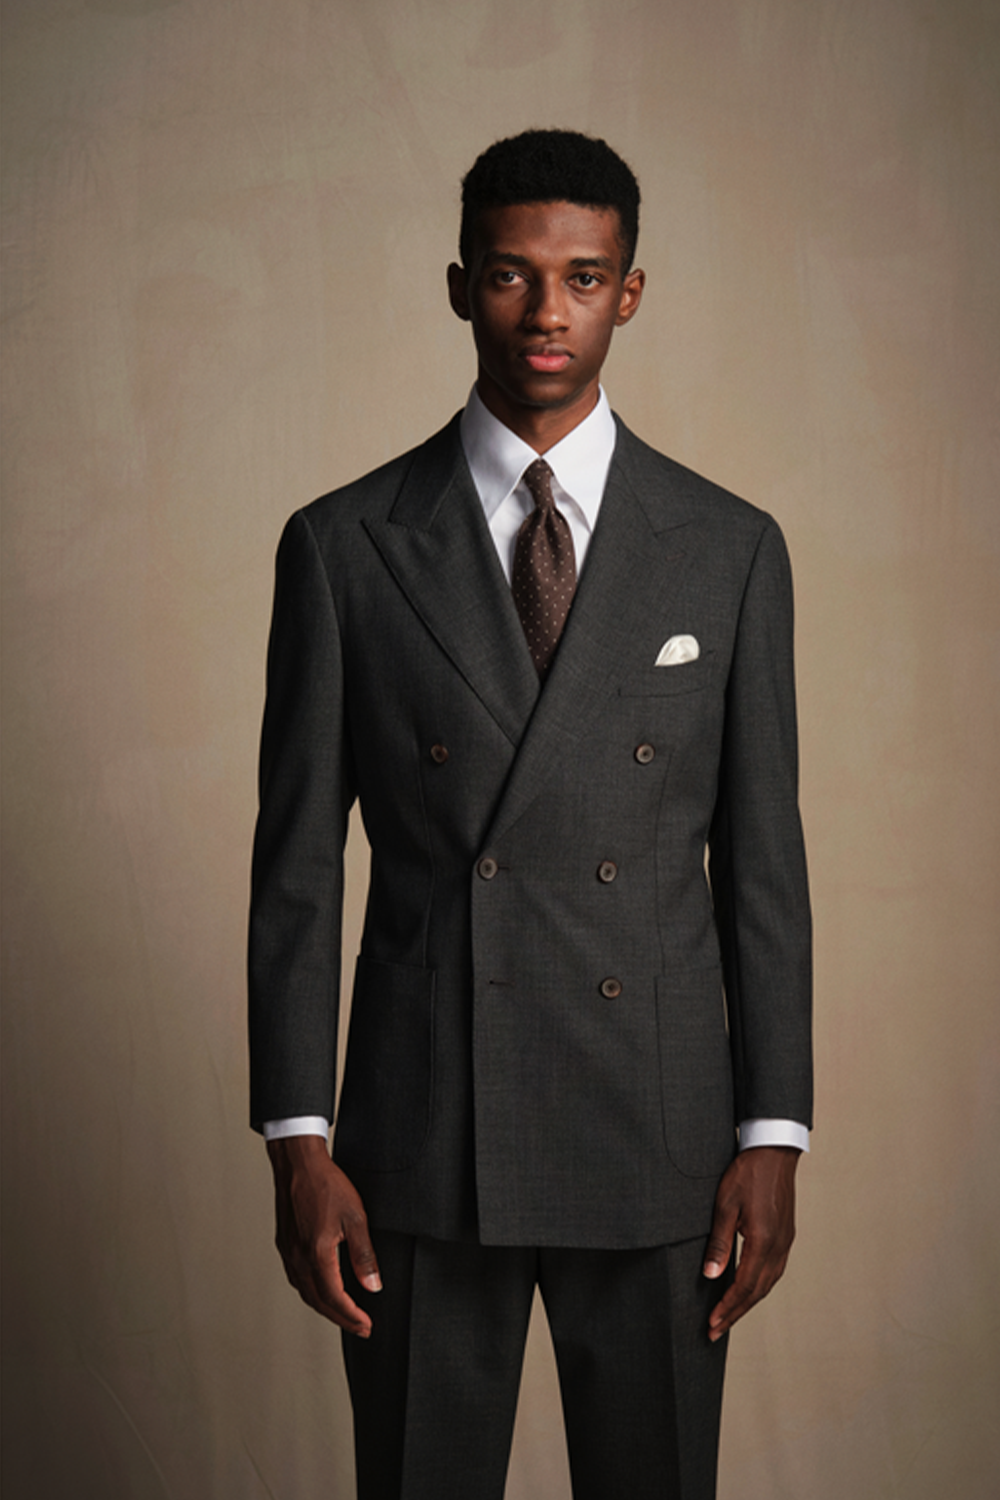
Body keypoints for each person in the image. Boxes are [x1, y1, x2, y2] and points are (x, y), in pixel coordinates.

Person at [249, 128, 812, 1500]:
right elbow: (299, 870)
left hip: (660, 1136)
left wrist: (773, 1134)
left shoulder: (730, 548)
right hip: (421, 1139)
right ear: (461, 287)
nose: (546, 311)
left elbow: (762, 865)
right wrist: (298, 1145)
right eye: (510, 275)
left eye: (583, 277)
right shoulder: (343, 544)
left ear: (630, 292)